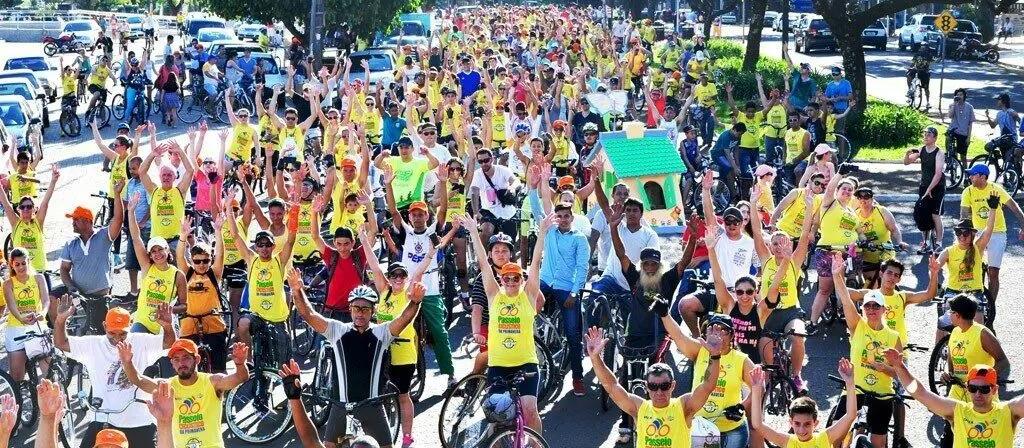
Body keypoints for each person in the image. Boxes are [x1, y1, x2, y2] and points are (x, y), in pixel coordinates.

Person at [290, 260, 423, 448]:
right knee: (329, 446)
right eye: (356, 308)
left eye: (365, 309)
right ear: (350, 309)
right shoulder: (337, 330)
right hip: (340, 405)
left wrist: (415, 302)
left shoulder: (381, 333)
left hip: (371, 406)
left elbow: (404, 319)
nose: (360, 313)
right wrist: (297, 290)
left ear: (373, 311)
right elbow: (309, 315)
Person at [358, 222, 448, 448]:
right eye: (394, 275)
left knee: (403, 395)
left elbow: (421, 268)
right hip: (380, 351)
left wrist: (431, 252)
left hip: (404, 352)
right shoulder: (385, 290)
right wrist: (363, 239)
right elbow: (374, 265)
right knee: (373, 394)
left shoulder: (409, 292)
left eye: (401, 275)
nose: (398, 279)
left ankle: (407, 436)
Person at [463, 212, 550, 438]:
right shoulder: (494, 296)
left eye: (515, 278)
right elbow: (483, 263)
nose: (511, 282)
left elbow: (536, 262)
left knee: (530, 411)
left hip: (526, 364)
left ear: (522, 280)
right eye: (507, 278)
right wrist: (474, 232)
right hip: (499, 366)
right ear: (501, 279)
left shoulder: (528, 296)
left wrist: (541, 232)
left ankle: (534, 444)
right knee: (496, 416)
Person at [52, 298, 175, 446]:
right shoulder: (93, 344)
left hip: (138, 420)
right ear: (104, 327)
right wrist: (60, 320)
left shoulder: (141, 341)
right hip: (103, 418)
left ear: (130, 326)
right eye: (112, 333)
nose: (117, 339)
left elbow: (168, 343)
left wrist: (168, 326)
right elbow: (61, 343)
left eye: (122, 334)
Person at [587, 325, 722, 448]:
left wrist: (715, 356)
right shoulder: (639, 408)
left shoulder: (684, 407)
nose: (659, 392)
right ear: (647, 387)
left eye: (664, 386)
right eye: (653, 386)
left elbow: (708, 386)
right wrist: (595, 358)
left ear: (672, 386)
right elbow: (611, 385)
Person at [872, 349, 1024, 448]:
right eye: (973, 388)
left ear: (994, 389)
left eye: (984, 389)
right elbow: (920, 393)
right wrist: (900, 367)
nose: (977, 394)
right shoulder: (957, 410)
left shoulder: (1008, 412)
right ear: (967, 389)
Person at [120, 338, 250, 448]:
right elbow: (138, 380)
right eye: (176, 359)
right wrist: (127, 362)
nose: (181, 363)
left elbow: (240, 378)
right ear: (172, 364)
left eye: (186, 358)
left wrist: (240, 364)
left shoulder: (212, 382)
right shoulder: (167, 386)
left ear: (197, 359)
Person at [832, 256, 903, 448]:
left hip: (882, 394)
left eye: (876, 306)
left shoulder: (894, 336)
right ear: (863, 309)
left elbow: (899, 373)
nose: (871, 309)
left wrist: (883, 368)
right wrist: (837, 274)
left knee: (878, 443)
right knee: (836, 436)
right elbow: (846, 299)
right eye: (868, 306)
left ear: (883, 310)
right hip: (855, 390)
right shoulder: (857, 326)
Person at [52, 182, 127, 332]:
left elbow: (118, 220)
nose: (72, 223)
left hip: (98, 295)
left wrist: (117, 195)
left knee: (98, 332)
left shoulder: (103, 236)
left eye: (76, 220)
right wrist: (71, 286)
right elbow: (64, 269)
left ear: (87, 221)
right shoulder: (71, 244)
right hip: (78, 293)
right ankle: (58, 331)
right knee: (52, 296)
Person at [959, 163, 1024, 328]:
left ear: (982, 176)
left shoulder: (995, 189)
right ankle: (972, 300)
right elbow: (964, 215)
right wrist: (964, 235)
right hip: (978, 232)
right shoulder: (968, 191)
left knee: (993, 272)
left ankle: (990, 307)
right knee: (971, 267)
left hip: (997, 232)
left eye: (973, 175)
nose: (970, 177)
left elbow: (1015, 208)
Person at [751, 359, 858, 447]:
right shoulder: (788, 441)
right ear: (791, 423)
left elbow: (850, 415)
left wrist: (849, 382)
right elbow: (757, 425)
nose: (801, 430)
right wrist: (756, 389)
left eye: (807, 424)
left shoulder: (824, 438)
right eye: (797, 424)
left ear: (815, 423)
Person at [126, 192, 187, 335]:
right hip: (142, 322)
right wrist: (131, 212)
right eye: (153, 251)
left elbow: (184, 306)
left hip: (164, 325)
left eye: (160, 249)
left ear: (167, 250)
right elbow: (136, 238)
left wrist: (169, 309)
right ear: (150, 255)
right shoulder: (147, 267)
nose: (157, 254)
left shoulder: (178, 275)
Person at [175, 216, 229, 373]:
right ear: (192, 261)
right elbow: (179, 256)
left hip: (213, 324)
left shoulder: (214, 274)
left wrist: (218, 232)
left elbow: (220, 255)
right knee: (187, 368)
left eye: (205, 261)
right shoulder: (187, 273)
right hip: (189, 325)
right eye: (197, 261)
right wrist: (183, 237)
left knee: (219, 370)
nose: (201, 264)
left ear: (210, 260)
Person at [808, 175, 860, 327]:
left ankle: (850, 315)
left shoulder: (852, 211)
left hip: (849, 253)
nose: (847, 191)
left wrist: (862, 239)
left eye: (850, 190)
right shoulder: (830, 203)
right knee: (825, 289)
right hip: (828, 250)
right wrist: (839, 174)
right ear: (837, 190)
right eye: (844, 188)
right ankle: (812, 323)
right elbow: (829, 189)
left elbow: (859, 230)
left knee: (853, 283)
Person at [3, 248, 50, 384]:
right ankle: (17, 402)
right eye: (17, 264)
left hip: (37, 325)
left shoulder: (39, 278)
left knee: (48, 367)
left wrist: (42, 313)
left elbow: (46, 301)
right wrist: (21, 318)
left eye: (23, 263)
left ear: (28, 261)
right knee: (17, 377)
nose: (21, 267)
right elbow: (12, 307)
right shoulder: (8, 284)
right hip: (16, 328)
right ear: (12, 265)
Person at [905, 127, 946, 252]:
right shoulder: (922, 149)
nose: (925, 136)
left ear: (934, 138)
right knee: (924, 214)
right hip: (924, 186)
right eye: (925, 134)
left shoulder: (939, 153)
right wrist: (907, 154)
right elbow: (907, 162)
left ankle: (938, 243)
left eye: (928, 134)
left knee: (935, 215)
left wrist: (929, 189)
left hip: (937, 187)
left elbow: (938, 174)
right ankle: (926, 243)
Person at [947, 88, 974, 163]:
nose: (959, 96)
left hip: (963, 133)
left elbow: (970, 123)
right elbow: (950, 116)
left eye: (961, 95)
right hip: (953, 130)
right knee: (948, 138)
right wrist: (954, 105)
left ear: (964, 96)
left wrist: (968, 137)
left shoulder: (969, 107)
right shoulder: (952, 105)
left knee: (963, 156)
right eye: (957, 95)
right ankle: (949, 158)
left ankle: (965, 172)